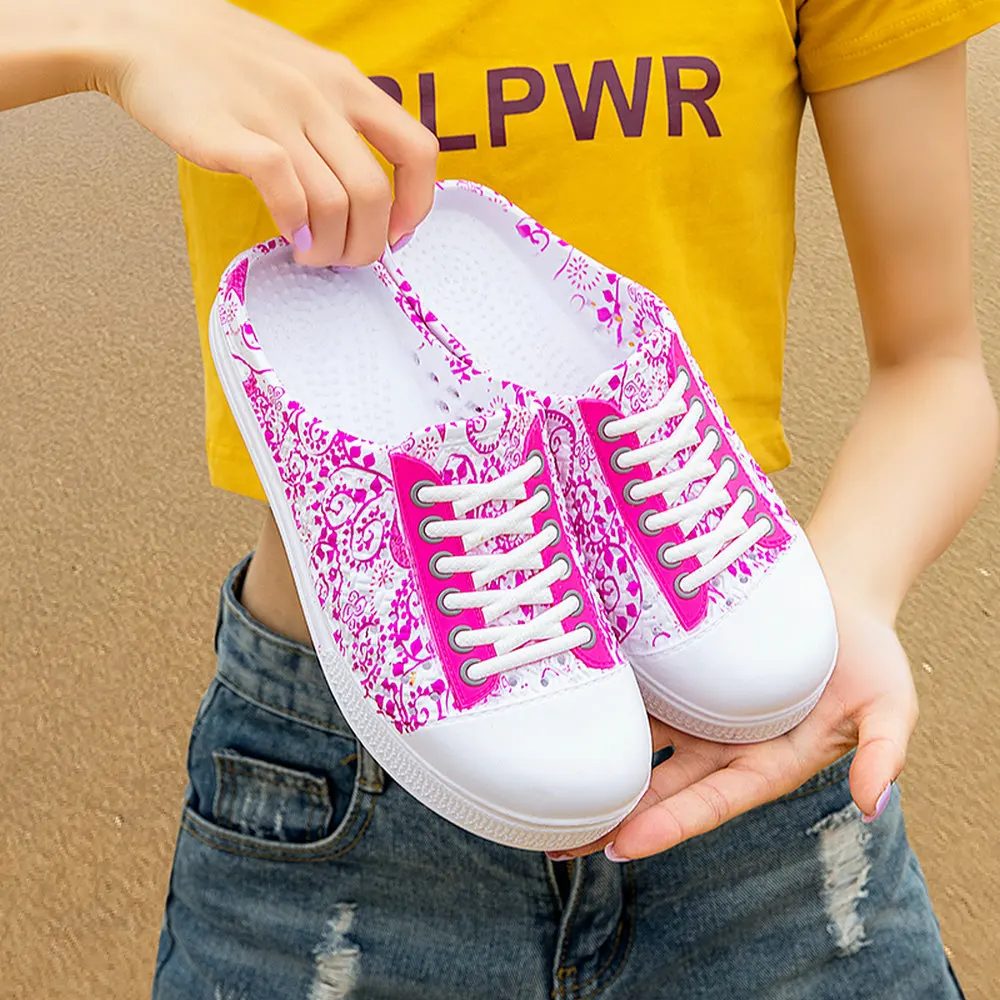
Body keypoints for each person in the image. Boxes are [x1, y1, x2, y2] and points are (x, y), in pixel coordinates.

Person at [4, 0, 998, 996]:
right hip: (337, 778)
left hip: (757, 772)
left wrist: (850, 597)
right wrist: (123, 30)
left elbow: (935, 366)